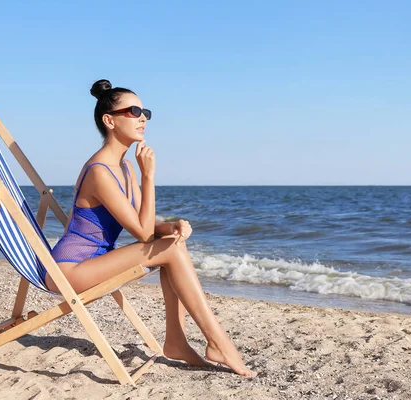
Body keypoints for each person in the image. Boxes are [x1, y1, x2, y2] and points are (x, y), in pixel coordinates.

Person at [47, 79, 256, 377]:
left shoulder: (124, 167)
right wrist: (150, 176)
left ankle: (177, 341)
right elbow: (144, 235)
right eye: (133, 111)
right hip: (69, 271)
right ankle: (218, 341)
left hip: (92, 263)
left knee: (172, 240)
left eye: (144, 111)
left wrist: (171, 226)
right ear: (110, 120)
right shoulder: (100, 172)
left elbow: (145, 223)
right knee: (168, 248)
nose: (143, 117)